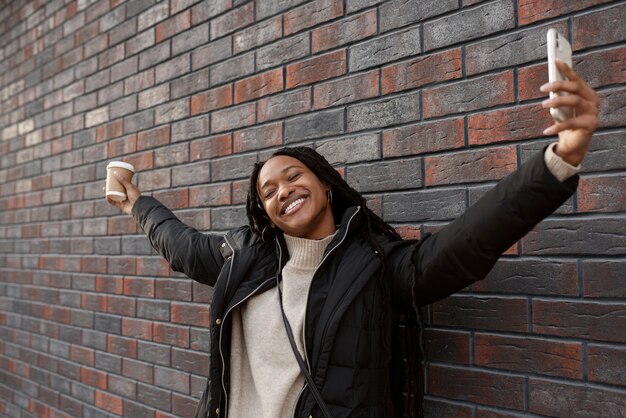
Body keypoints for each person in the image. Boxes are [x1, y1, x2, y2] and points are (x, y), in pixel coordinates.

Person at [106, 60, 599, 418]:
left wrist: (560, 160)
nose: (283, 193)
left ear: (324, 183)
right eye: (268, 192)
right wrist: (134, 203)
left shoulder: (375, 266)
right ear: (267, 214)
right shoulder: (243, 257)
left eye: (293, 176)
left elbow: (464, 246)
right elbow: (180, 244)